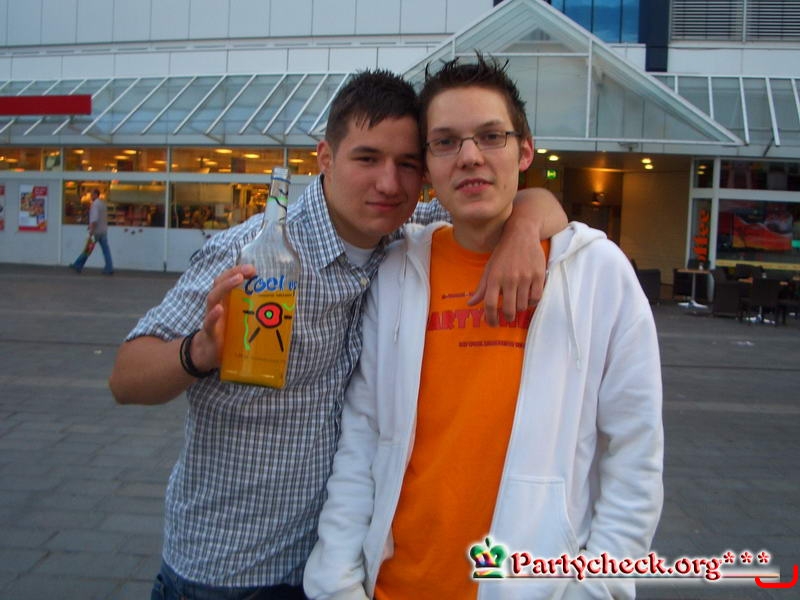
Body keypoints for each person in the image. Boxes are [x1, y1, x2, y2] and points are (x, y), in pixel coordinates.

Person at [108, 69, 568, 600]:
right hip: (229, 570)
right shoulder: (251, 254)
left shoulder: (403, 234)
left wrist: (522, 231)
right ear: (325, 158)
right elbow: (125, 378)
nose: (388, 183)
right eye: (367, 159)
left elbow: (523, 200)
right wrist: (200, 352)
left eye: (407, 164)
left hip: (337, 565)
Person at [303, 55, 663, 600]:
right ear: (428, 167)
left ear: (525, 151)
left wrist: (598, 588)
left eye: (491, 136)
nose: (470, 156)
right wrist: (337, 581)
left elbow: (635, 454)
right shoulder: (399, 270)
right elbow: (365, 437)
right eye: (445, 142)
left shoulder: (595, 273)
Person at [70, 189, 114, 275]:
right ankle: (109, 268)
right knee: (106, 251)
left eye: (92, 194)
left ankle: (78, 265)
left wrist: (91, 230)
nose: (90, 196)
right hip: (103, 231)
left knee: (88, 249)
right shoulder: (102, 204)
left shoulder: (94, 205)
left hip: (95, 232)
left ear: (96, 195)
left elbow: (95, 219)